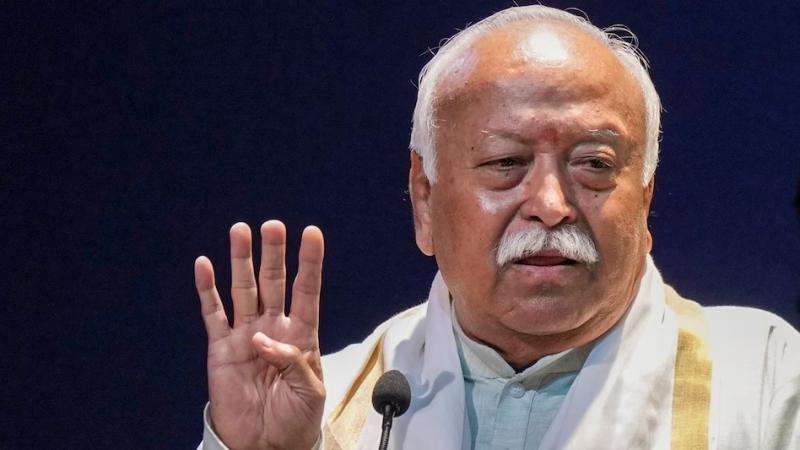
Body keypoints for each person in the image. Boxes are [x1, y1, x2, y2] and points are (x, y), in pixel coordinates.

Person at [195, 5, 800, 449]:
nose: (551, 205)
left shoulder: (766, 384)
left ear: (645, 201)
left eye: (594, 164)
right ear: (424, 199)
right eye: (507, 163)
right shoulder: (329, 407)